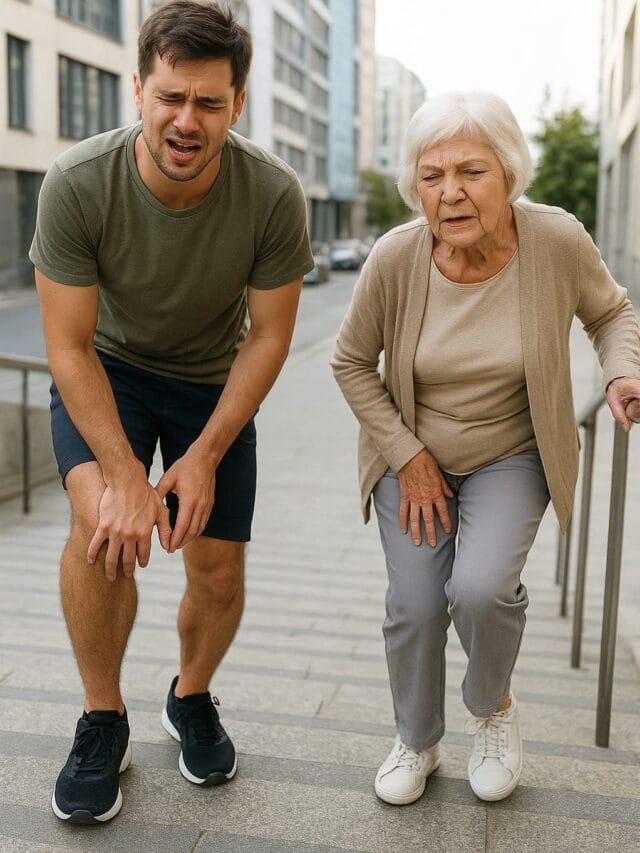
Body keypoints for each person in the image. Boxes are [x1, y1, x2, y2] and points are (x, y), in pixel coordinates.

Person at [30, 0, 313, 824]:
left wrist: (204, 455)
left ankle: (189, 696)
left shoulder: (272, 194)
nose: (187, 121)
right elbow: (69, 348)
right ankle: (101, 716)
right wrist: (123, 475)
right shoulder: (77, 182)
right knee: (104, 531)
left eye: (209, 103)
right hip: (107, 368)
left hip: (209, 381)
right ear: (139, 92)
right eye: (170, 98)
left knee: (217, 566)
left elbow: (268, 339)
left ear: (237, 104)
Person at [331, 90, 640, 806]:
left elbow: (611, 309)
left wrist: (622, 369)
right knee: (413, 602)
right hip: (412, 452)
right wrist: (407, 456)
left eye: (471, 171)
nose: (450, 192)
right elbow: (349, 361)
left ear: (508, 173)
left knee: (480, 589)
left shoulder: (555, 239)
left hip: (513, 448)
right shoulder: (394, 257)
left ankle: (493, 707)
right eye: (432, 176)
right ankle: (416, 736)